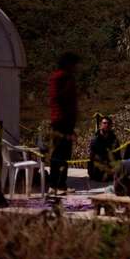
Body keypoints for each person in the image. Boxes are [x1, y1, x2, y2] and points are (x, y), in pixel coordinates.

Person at [48, 52, 80, 195]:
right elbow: (57, 98)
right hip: (61, 121)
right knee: (59, 153)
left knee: (64, 153)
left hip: (67, 121)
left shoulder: (67, 77)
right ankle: (55, 184)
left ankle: (60, 183)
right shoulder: (59, 77)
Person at [87, 116, 121, 182]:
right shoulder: (95, 139)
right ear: (101, 125)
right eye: (104, 123)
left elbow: (117, 155)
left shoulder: (114, 139)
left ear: (111, 125)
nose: (106, 125)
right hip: (98, 168)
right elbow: (92, 156)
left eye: (108, 123)